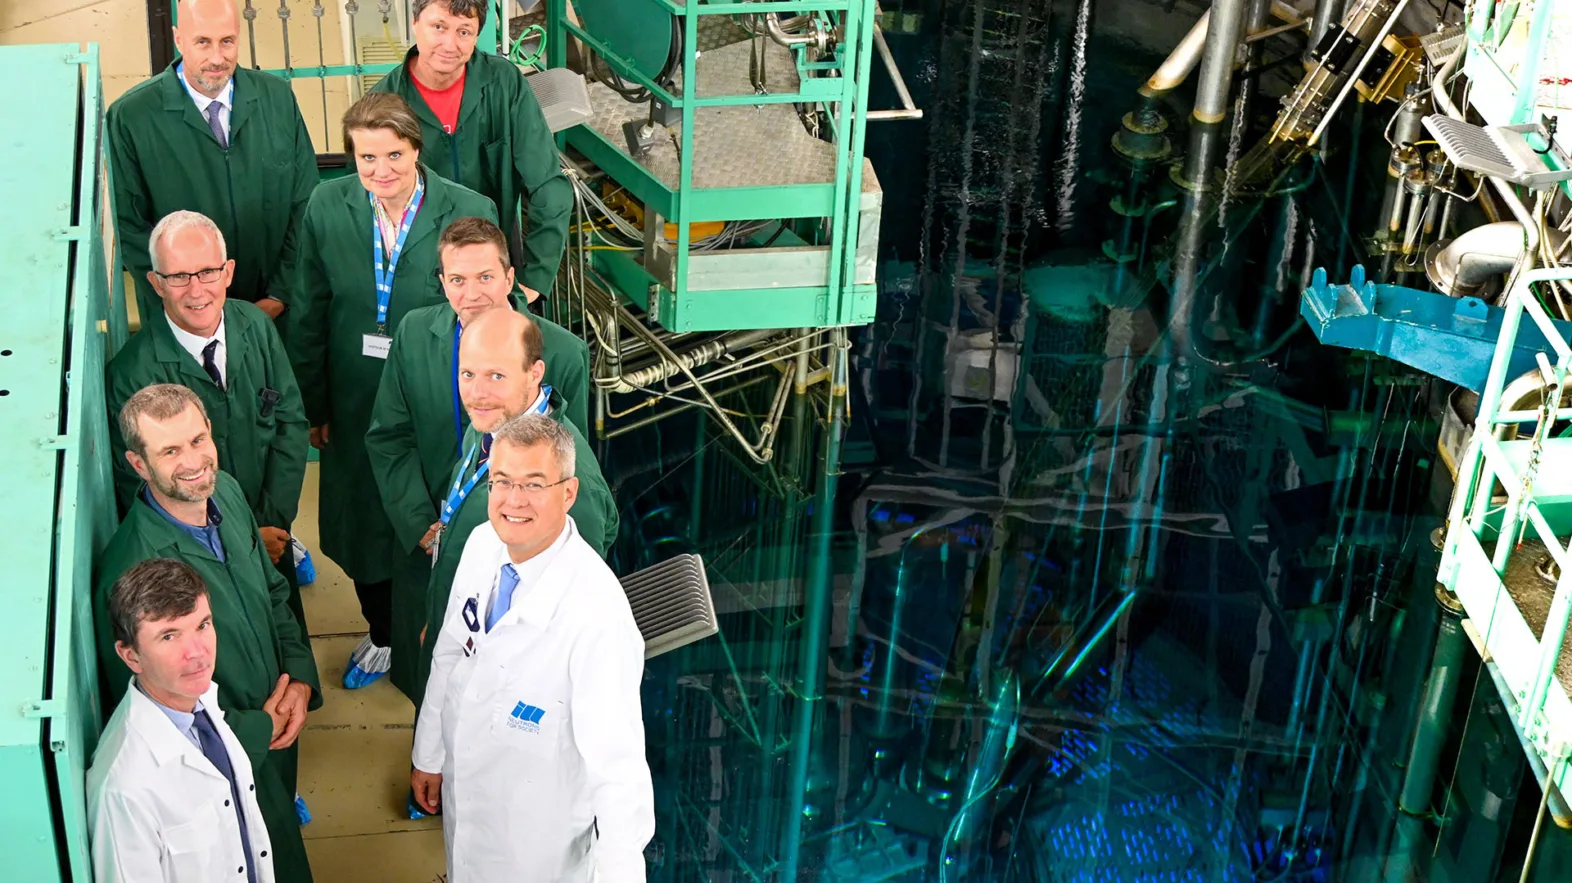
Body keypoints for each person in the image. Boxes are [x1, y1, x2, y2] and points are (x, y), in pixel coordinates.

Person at [288, 91, 497, 689]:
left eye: (394, 156)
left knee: (432, 512)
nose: (381, 172)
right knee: (359, 524)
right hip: (353, 396)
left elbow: (485, 309)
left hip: (436, 397)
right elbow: (309, 308)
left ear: (416, 149)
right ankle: (381, 633)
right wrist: (315, 403)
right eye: (366, 158)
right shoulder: (327, 207)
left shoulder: (465, 210)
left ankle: (452, 633)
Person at [94, 384, 320, 883]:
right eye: (169, 451)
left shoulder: (228, 494)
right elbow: (161, 717)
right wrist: (263, 727)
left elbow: (273, 591)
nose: (193, 461)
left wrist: (301, 677)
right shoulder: (134, 570)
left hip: (279, 724)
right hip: (232, 754)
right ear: (138, 463)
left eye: (198, 440)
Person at [412, 414, 653, 882]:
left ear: (568, 493)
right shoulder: (483, 545)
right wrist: (429, 755)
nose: (513, 500)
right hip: (467, 816)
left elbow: (618, 773)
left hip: (539, 852)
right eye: (502, 481)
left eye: (533, 484)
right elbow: (448, 655)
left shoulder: (596, 614)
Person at [365, 215, 588, 699]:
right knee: (430, 680)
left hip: (511, 563)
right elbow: (389, 437)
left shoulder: (564, 353)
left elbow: (572, 463)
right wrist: (422, 523)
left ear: (510, 278)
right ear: (442, 283)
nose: (472, 293)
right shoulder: (413, 334)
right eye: (458, 280)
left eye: (486, 277)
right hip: (430, 542)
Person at [106, 210, 309, 632]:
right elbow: (141, 488)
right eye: (178, 276)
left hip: (273, 528)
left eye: (207, 272)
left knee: (283, 639)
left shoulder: (254, 324)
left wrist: (273, 521)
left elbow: (289, 423)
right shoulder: (132, 374)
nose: (196, 290)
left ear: (229, 272)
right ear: (155, 282)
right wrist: (245, 534)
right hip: (201, 554)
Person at [411, 307, 617, 714]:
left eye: (497, 376)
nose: (477, 392)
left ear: (534, 374)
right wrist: (443, 618)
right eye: (468, 374)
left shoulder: (572, 485)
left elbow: (564, 620)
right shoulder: (489, 426)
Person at [107, 0, 317, 326]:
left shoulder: (277, 99)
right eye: (203, 42)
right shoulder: (132, 116)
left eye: (227, 41)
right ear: (178, 39)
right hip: (182, 321)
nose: (217, 58)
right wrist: (193, 303)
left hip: (277, 315)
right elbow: (129, 226)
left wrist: (279, 294)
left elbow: (305, 202)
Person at [88, 558, 275, 883]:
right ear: (130, 655)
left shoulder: (199, 701)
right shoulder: (125, 789)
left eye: (202, 625)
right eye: (169, 637)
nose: (197, 652)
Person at [370, 0, 571, 297]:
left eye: (464, 32)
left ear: (477, 34)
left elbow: (548, 184)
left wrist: (534, 280)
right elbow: (369, 207)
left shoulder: (504, 83)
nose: (450, 44)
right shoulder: (384, 103)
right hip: (418, 280)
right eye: (438, 27)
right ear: (415, 23)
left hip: (493, 266)